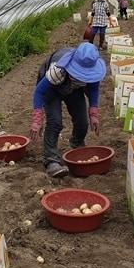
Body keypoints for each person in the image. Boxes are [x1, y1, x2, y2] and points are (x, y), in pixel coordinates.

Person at [30, 42, 105, 177]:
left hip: (74, 89)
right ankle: (51, 160)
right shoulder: (58, 70)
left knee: (82, 121)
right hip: (52, 89)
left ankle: (76, 145)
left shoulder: (92, 70)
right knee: (55, 122)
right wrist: (37, 118)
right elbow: (39, 92)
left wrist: (93, 113)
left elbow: (93, 88)